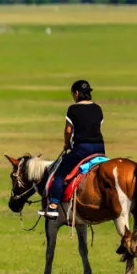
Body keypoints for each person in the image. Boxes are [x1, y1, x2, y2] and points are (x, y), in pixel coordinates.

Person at [41, 80, 106, 219]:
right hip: (100, 149)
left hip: (82, 149)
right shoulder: (98, 108)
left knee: (60, 174)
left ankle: (53, 205)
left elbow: (68, 131)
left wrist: (67, 144)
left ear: (76, 93)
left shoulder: (73, 109)